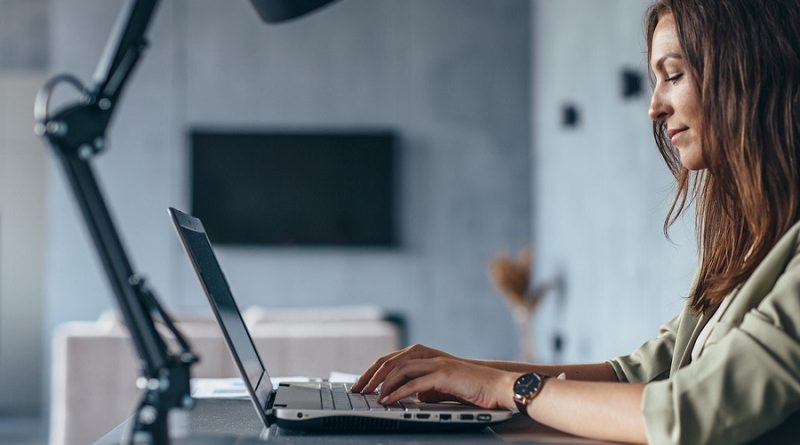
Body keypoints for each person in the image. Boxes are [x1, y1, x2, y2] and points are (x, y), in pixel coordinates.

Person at [350, 0, 800, 443]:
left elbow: (690, 412)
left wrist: (504, 388)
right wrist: (463, 373)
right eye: (654, 81)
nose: (654, 107)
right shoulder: (747, 243)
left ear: (750, 70)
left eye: (674, 75)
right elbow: (637, 373)